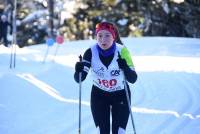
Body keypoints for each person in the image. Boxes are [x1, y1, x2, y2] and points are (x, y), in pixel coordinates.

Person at [74, 22, 137, 134]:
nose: (103, 39)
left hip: (121, 94)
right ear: (96, 37)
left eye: (107, 35)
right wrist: (78, 70)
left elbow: (133, 79)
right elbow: (79, 78)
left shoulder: (122, 51)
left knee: (119, 132)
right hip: (99, 95)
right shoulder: (90, 52)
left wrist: (125, 67)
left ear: (114, 37)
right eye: (100, 35)